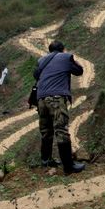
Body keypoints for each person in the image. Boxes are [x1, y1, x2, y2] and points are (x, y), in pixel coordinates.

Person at [33, 41, 85, 175]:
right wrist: (75, 61)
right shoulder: (66, 57)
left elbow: (36, 75)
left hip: (41, 99)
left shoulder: (42, 60)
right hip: (56, 98)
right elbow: (79, 71)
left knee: (46, 130)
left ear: (49, 51)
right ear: (63, 50)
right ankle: (68, 167)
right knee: (61, 130)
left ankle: (46, 161)